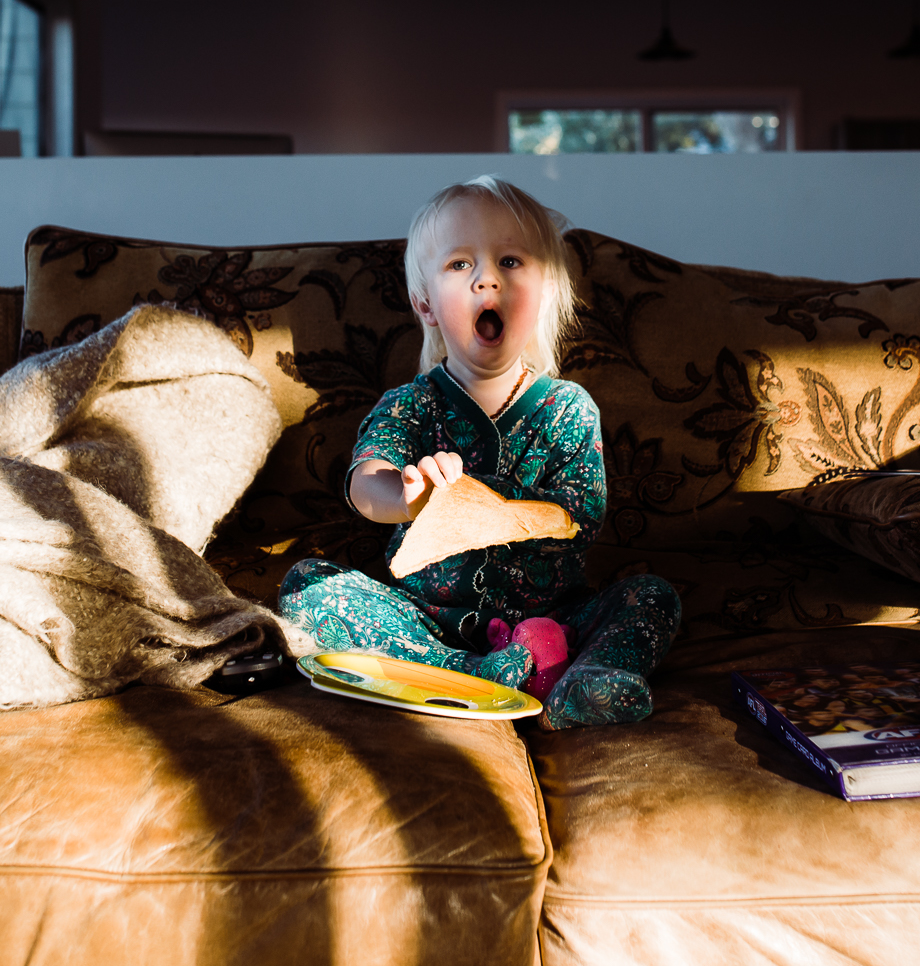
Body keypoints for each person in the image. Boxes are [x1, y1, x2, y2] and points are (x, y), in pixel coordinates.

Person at [279, 175, 680, 729]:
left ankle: (585, 684)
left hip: (556, 625)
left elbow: (584, 514)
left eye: (510, 262)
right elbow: (364, 484)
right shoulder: (412, 406)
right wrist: (407, 496)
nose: (486, 278)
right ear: (425, 304)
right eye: (460, 264)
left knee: (652, 597)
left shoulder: (567, 408)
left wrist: (486, 501)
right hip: (427, 621)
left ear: (543, 292)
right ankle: (464, 670)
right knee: (309, 585)